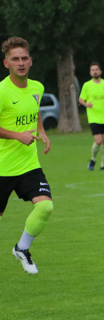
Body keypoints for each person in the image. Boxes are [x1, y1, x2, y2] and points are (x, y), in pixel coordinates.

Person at [0, 37, 53, 275]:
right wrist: (16, 135)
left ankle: (22, 248)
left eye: (24, 58)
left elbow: (35, 112)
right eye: (15, 59)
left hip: (29, 164)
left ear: (30, 61)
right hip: (2, 167)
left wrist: (41, 132)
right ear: (6, 63)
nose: (20, 63)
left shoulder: (37, 88)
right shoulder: (1, 92)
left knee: (46, 208)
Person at [77, 62, 104, 171]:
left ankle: (103, 165)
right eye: (92, 70)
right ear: (90, 72)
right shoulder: (87, 85)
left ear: (100, 71)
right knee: (98, 141)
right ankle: (93, 159)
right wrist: (87, 104)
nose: (95, 71)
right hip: (94, 117)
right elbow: (81, 99)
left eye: (96, 69)